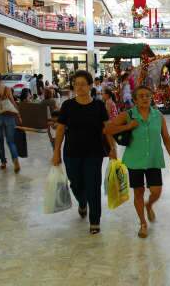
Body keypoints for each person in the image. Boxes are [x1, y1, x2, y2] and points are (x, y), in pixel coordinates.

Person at [103, 86, 170, 238]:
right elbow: (107, 130)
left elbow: (166, 138)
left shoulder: (158, 116)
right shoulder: (128, 115)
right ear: (135, 100)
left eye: (148, 95)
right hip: (134, 161)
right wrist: (128, 126)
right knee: (138, 192)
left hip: (153, 160)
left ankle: (149, 205)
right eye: (141, 96)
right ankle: (143, 223)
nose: (145, 98)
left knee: (156, 192)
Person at [52, 70, 116, 235]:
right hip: (71, 153)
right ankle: (82, 202)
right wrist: (56, 151)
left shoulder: (98, 105)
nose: (79, 87)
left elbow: (106, 127)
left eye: (82, 84)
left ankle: (95, 221)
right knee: (76, 183)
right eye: (76, 84)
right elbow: (60, 130)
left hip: (94, 153)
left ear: (90, 86)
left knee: (93, 186)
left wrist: (113, 148)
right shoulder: (68, 105)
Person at [0, 71, 21, 173]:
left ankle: (3, 162)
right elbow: (13, 103)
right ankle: (15, 162)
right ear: (1, 79)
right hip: (9, 116)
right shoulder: (7, 89)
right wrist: (18, 115)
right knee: (11, 141)